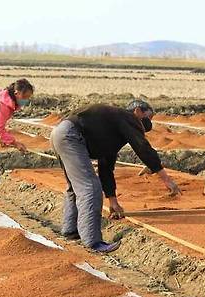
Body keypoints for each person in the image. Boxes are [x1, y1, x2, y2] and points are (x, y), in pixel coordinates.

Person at [51, 100, 182, 253]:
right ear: (138, 111)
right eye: (148, 116)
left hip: (59, 133)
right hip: (71, 135)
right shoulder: (127, 117)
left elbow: (106, 167)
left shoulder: (112, 128)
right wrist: (166, 179)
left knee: (75, 186)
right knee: (90, 188)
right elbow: (142, 148)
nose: (147, 122)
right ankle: (93, 242)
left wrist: (113, 201)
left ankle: (70, 230)